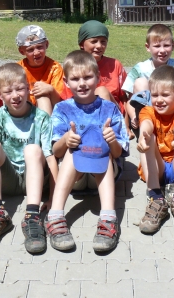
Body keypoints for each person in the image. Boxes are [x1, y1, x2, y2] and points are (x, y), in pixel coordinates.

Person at [46, 51, 129, 253]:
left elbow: (118, 153)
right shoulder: (62, 109)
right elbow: (56, 151)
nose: (82, 83)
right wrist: (66, 139)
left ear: (98, 77)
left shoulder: (109, 109)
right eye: (75, 79)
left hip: (104, 173)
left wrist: (112, 141)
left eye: (87, 77)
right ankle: (55, 216)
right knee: (70, 152)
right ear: (66, 82)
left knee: (105, 150)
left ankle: (108, 218)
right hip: (75, 178)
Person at [0, 63, 56, 253]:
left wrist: (54, 198)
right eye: (8, 91)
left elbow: (51, 158)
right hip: (7, 179)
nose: (15, 95)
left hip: (35, 180)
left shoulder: (42, 118)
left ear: (28, 88)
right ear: (0, 95)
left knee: (33, 149)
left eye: (19, 89)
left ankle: (32, 217)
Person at [137, 66, 174, 234]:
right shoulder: (147, 111)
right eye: (155, 95)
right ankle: (155, 196)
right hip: (157, 168)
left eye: (165, 95)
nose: (159, 100)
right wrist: (143, 136)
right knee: (148, 137)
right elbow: (146, 124)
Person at [123, 24, 174, 134]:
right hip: (148, 114)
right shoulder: (140, 68)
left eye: (166, 45)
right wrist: (133, 116)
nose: (162, 50)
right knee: (140, 82)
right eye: (157, 46)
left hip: (173, 112)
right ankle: (149, 124)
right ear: (148, 47)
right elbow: (130, 100)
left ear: (173, 46)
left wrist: (173, 114)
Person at [76, 20, 127, 114]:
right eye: (94, 41)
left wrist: (125, 122)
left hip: (114, 115)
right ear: (81, 44)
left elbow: (124, 98)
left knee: (102, 92)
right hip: (85, 114)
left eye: (103, 41)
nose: (99, 46)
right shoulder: (74, 67)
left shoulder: (115, 65)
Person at [16, 25, 65, 117]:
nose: (36, 52)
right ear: (22, 51)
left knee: (43, 96)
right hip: (24, 110)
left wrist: (50, 90)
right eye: (30, 50)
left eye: (39, 47)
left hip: (48, 110)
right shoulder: (18, 69)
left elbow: (60, 103)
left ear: (46, 44)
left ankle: (45, 125)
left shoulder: (55, 68)